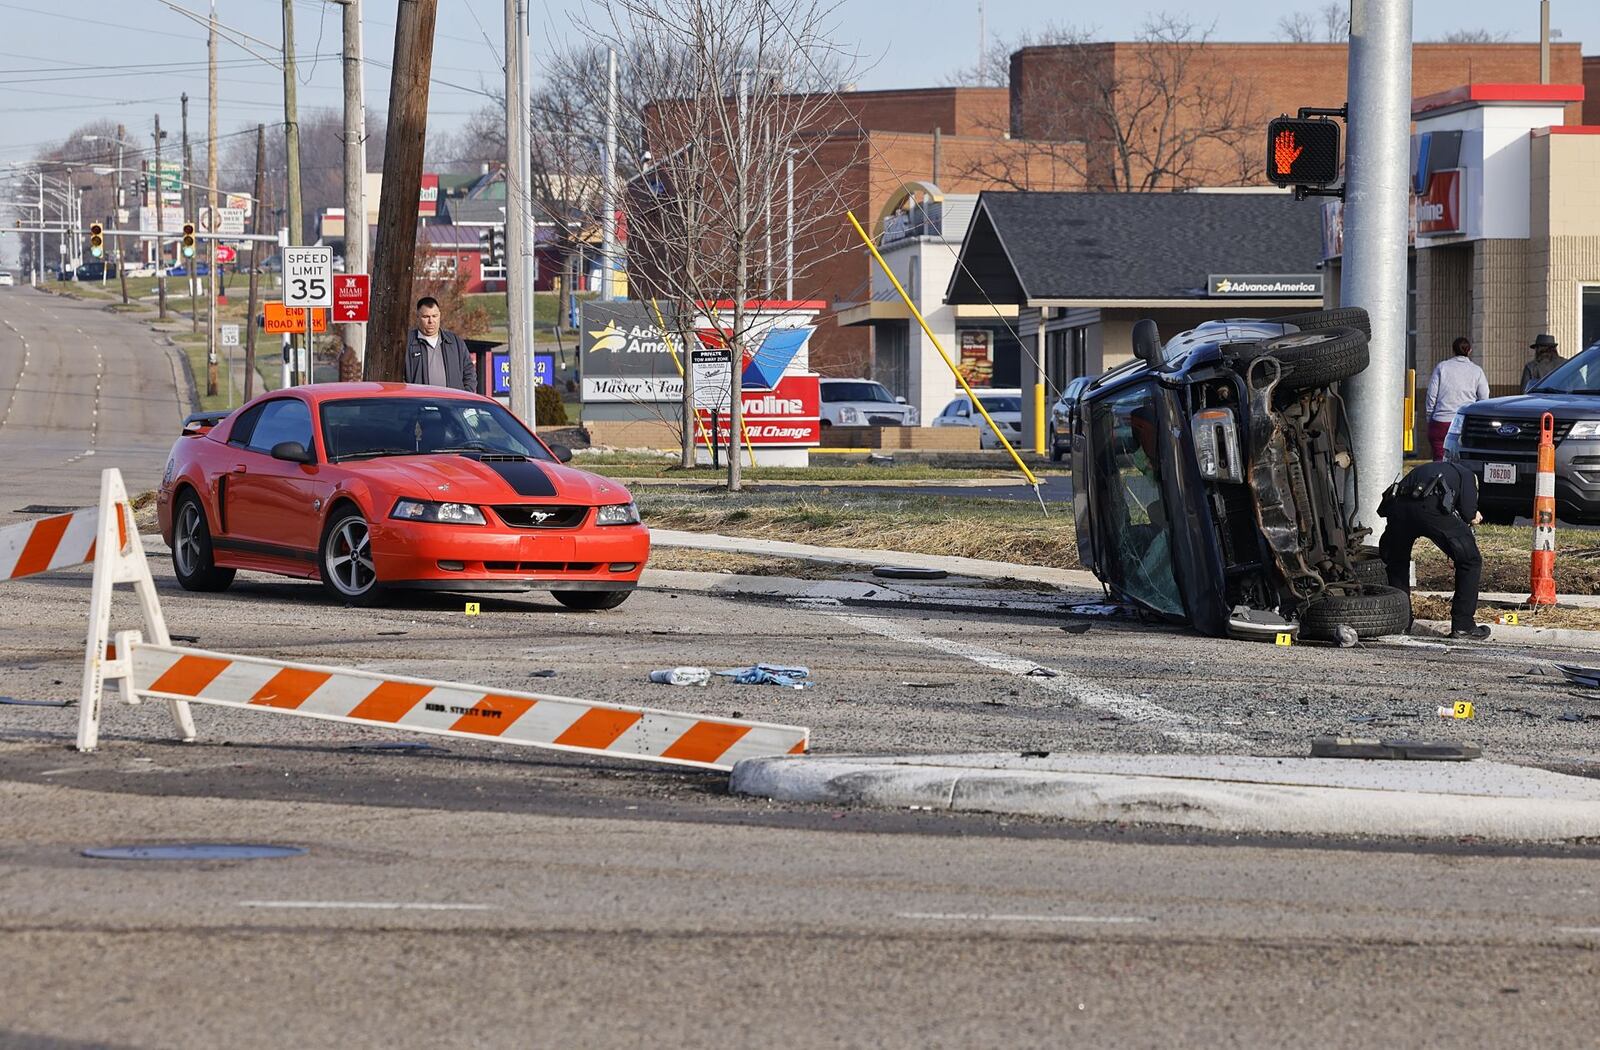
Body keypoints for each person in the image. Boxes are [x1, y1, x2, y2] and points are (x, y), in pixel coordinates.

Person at [1378, 459, 1489, 641]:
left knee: (1396, 562)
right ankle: (1464, 626)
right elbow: (1469, 512)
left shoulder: (1427, 468)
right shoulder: (1468, 476)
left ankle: (1400, 622)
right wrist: (1474, 516)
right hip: (1431, 507)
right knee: (1470, 561)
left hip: (1398, 508)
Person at [1423, 337, 1489, 461]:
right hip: (1464, 423)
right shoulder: (1477, 371)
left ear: (1453, 350)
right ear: (1470, 351)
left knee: (1439, 461)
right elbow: (1484, 398)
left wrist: (1430, 418)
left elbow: (1431, 395)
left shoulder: (1442, 367)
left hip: (1441, 422)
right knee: (1464, 461)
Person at [404, 296, 476, 392]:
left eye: (434, 316)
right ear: (417, 317)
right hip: (419, 404)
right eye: (426, 317)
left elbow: (469, 372)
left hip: (452, 404)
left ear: (440, 316)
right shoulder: (407, 344)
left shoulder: (454, 342)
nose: (431, 321)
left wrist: (465, 395)